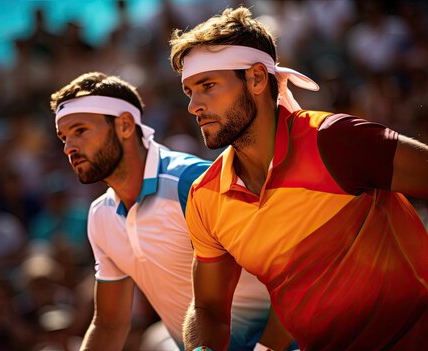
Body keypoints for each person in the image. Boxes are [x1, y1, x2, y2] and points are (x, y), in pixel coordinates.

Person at [169, 7, 428, 351]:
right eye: (190, 91)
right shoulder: (204, 197)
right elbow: (209, 309)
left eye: (208, 86)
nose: (193, 106)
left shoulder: (334, 140)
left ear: (258, 79)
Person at [51, 72, 296, 351]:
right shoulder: (100, 216)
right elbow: (109, 324)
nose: (69, 147)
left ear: (126, 126)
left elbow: (288, 270)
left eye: (80, 130)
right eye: (63, 138)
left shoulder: (191, 182)